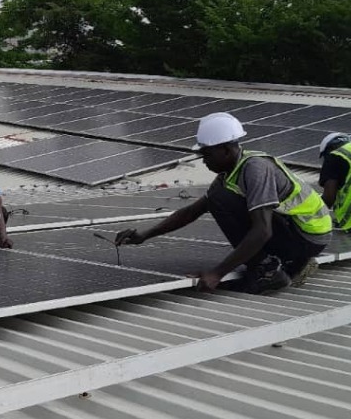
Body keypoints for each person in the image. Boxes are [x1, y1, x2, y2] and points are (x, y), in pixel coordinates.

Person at [115, 113, 332, 294]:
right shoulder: (230, 174)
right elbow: (191, 212)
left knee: (221, 200)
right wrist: (144, 235)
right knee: (217, 197)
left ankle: (268, 272)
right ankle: (293, 263)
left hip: (309, 235)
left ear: (226, 150)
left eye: (207, 154)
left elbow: (263, 231)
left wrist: (217, 273)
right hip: (297, 232)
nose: (203, 160)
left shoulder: (255, 169)